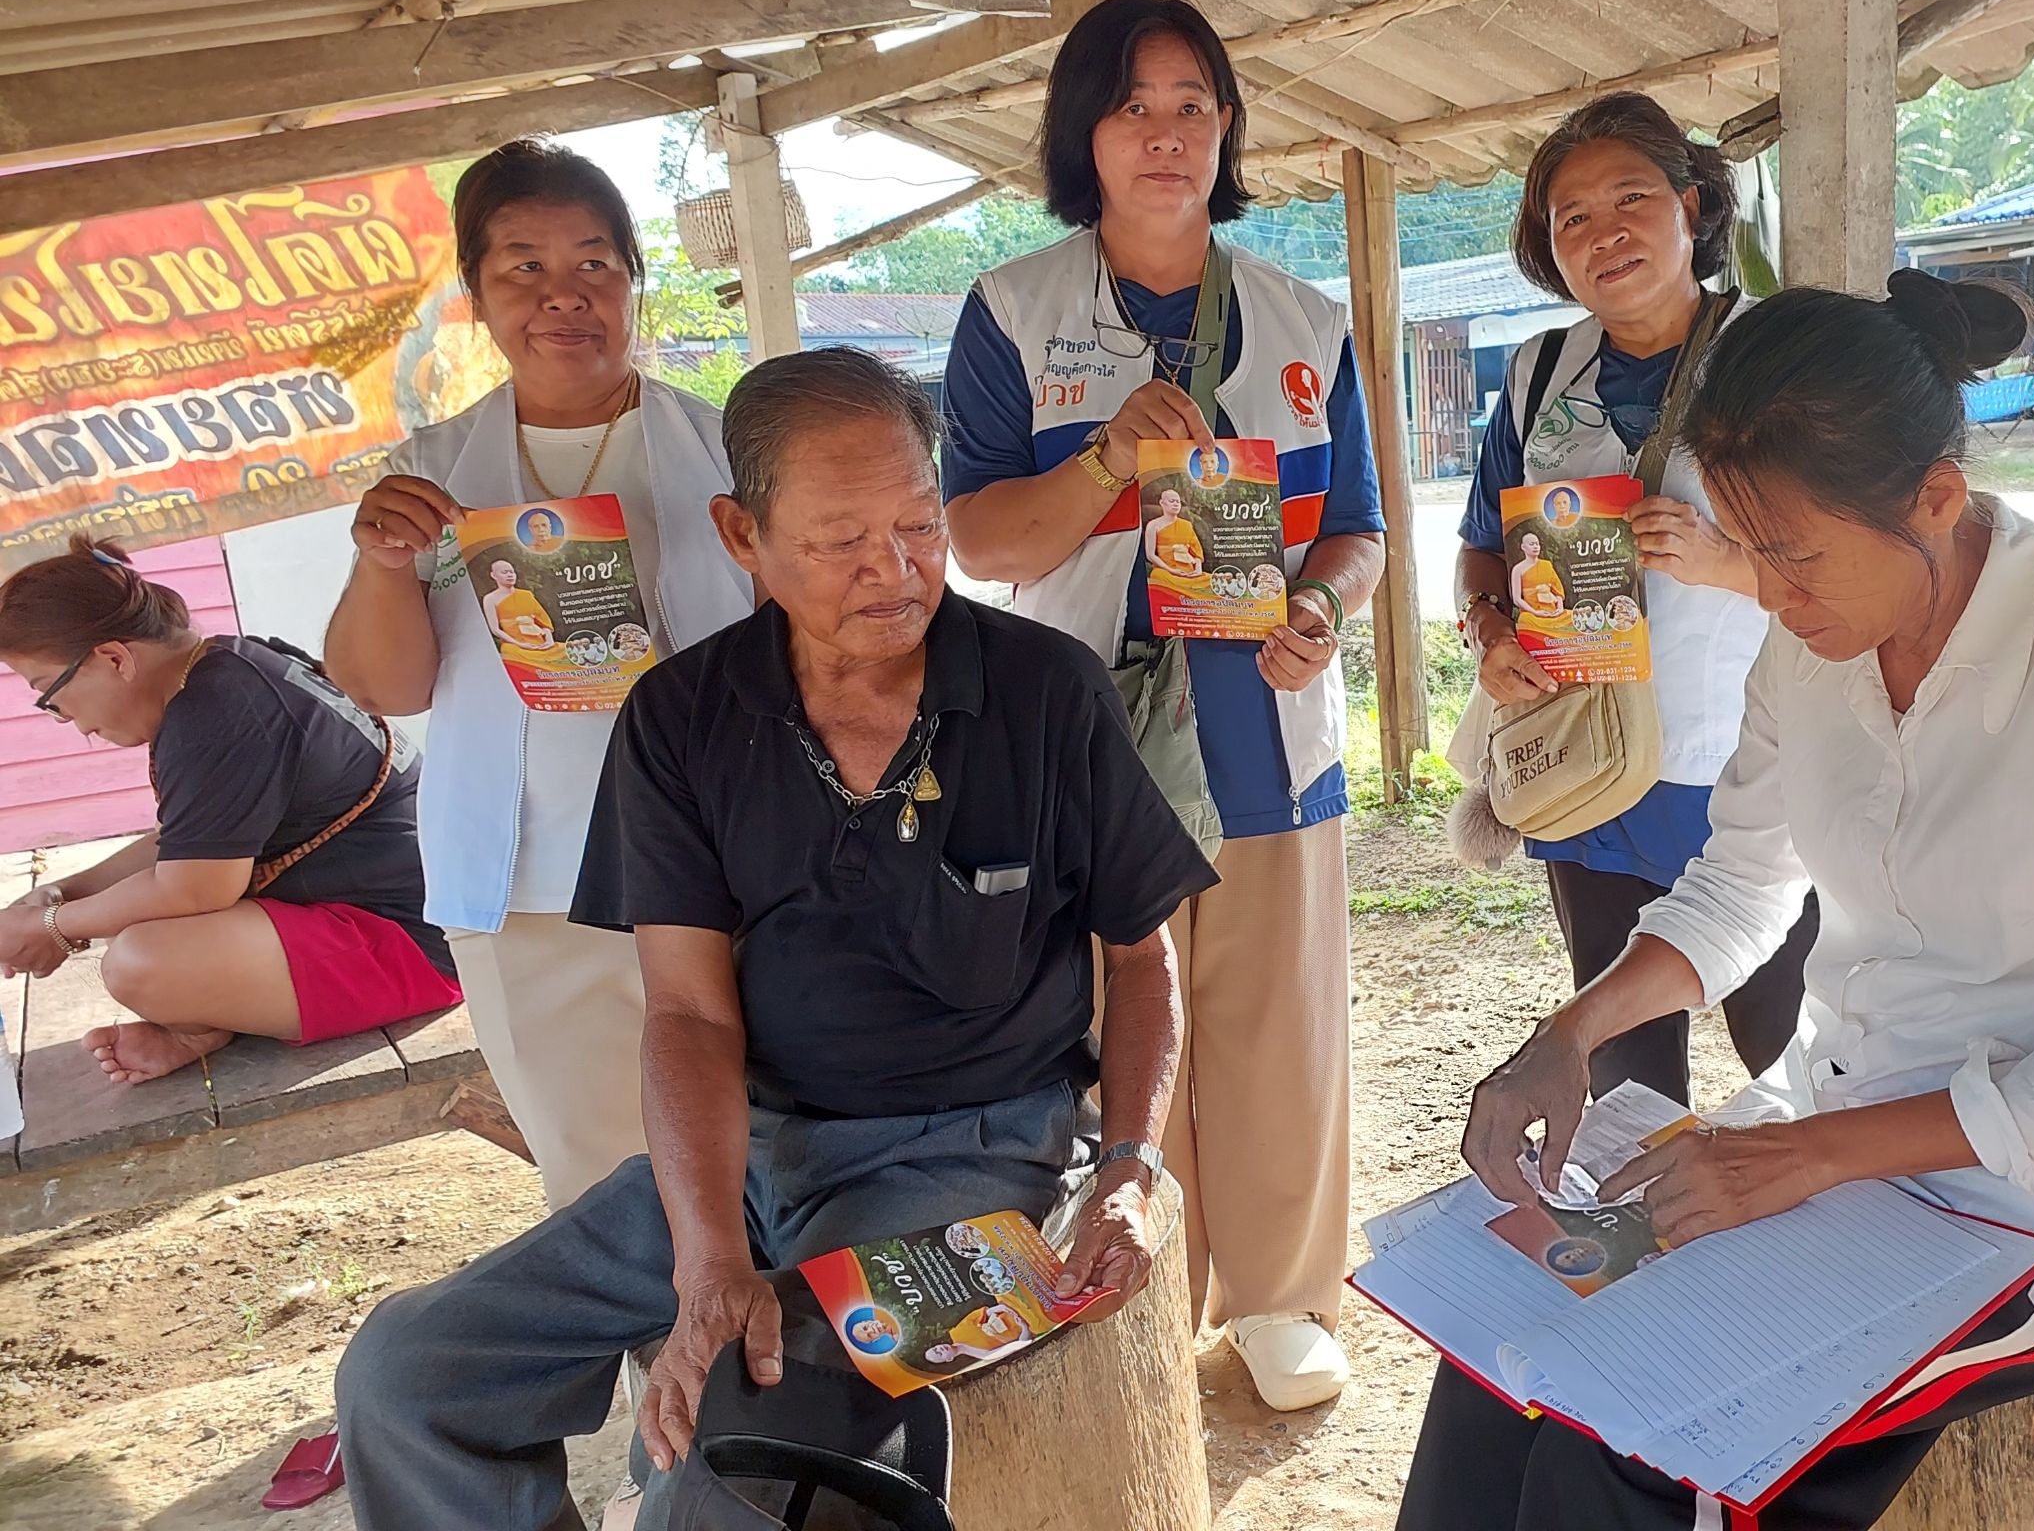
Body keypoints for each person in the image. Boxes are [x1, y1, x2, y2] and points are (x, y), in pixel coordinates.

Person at [1403, 272, 2034, 1530]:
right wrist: (1569, 1034)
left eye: (1794, 561)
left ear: (1938, 501)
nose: (1773, 600)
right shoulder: (1807, 644)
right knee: (1505, 1350)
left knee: (1638, 1439)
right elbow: (1741, 887)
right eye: (1748, 556)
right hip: (1819, 1131)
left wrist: (1803, 1159)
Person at [333, 347, 1213, 1528]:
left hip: (963, 1163)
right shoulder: (684, 718)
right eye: (839, 538)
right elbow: (689, 1016)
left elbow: (1138, 956)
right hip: (754, 1158)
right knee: (409, 1378)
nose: (892, 570)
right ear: (741, 535)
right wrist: (707, 1259)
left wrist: (1128, 1168)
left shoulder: (1045, 691)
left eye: (915, 522)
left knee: (722, 1478)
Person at [939, 0, 1384, 1411]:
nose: (1167, 132)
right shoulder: (1013, 311)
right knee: (1103, 1015)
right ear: (1085, 130)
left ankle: (1279, 1298)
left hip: (1263, 720)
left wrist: (1322, 605)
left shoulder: (1309, 318)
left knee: (1272, 1018)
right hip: (1078, 737)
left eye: (1194, 102)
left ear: (1229, 127)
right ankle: (1131, 1279)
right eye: (1133, 106)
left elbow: (1358, 524)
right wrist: (1104, 471)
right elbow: (982, 544)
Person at [323, 138, 754, 1211]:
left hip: (725, 868)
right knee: (600, 1184)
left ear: (633, 281)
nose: (563, 298)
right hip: (532, 893)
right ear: (475, 294)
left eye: (594, 264)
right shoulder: (430, 475)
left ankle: (774, 1372)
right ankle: (641, 1377)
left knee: (755, 1156)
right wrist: (383, 564)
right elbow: (386, 687)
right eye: (523, 267)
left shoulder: (730, 448)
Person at [1455, 93, 1818, 1107]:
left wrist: (1726, 561)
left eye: (1630, 199)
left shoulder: (1777, 356)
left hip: (1748, 774)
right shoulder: (1538, 375)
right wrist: (1486, 632)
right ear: (1548, 250)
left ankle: (1843, 1261)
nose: (1601, 233)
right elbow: (1482, 552)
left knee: (1791, 1057)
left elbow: (1860, 563)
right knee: (1625, 1078)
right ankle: (1650, 1254)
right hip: (1589, 772)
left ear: (1693, 205)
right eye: (1570, 217)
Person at [0, 540, 457, 1084]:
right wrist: (64, 893)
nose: (69, 721)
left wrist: (53, 926)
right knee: (147, 944)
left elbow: (193, 887)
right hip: (405, 913)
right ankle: (208, 1021)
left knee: (140, 962)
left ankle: (198, 1026)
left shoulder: (215, 711)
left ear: (114, 658)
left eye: (50, 696)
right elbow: (192, 840)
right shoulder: (230, 665)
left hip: (415, 944)